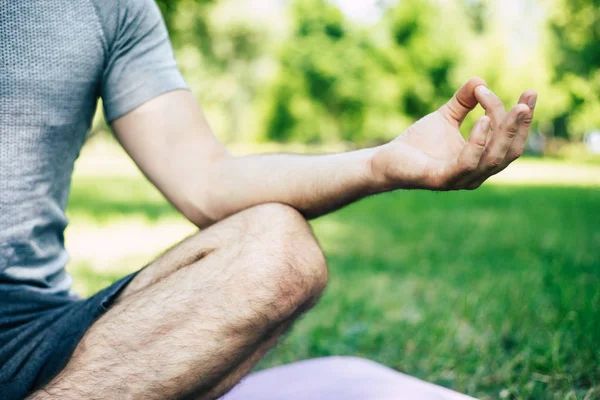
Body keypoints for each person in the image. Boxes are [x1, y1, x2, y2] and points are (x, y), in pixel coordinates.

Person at [0, 0, 536, 399]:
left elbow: (208, 181)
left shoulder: (110, 8)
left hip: (31, 334)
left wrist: (380, 163)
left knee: (280, 251)